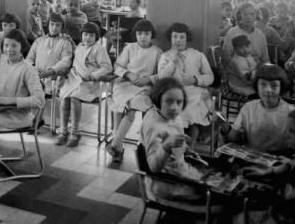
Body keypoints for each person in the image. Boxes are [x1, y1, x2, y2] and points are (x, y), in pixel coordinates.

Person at [0, 29, 45, 150]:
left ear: (22, 47)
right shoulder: (3, 61)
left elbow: (40, 100)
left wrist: (9, 100)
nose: (9, 49)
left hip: (16, 116)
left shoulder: (28, 70)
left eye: (14, 45)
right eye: (6, 45)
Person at [108, 19, 162, 163]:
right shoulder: (129, 48)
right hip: (125, 84)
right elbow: (118, 66)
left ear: (152, 35)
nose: (142, 37)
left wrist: (149, 79)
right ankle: (117, 147)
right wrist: (128, 74)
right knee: (120, 107)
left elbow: (162, 73)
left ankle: (115, 144)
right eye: (139, 33)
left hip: (143, 88)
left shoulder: (157, 52)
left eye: (146, 33)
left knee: (133, 106)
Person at [141, 78, 204, 200]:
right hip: (163, 183)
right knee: (219, 197)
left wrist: (184, 149)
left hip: (178, 172)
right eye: (168, 102)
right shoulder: (153, 125)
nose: (175, 108)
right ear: (157, 101)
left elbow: (176, 148)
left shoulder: (174, 116)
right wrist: (166, 146)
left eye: (179, 102)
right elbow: (154, 167)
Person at [244, 107, 295, 223]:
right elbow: (288, 165)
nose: (286, 135)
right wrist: (267, 171)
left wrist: (272, 207)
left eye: (292, 131)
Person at [158, 22, 214, 148]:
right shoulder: (165, 56)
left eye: (182, 37)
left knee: (191, 111)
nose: (178, 40)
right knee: (175, 112)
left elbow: (210, 77)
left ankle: (189, 149)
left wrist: (195, 79)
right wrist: (172, 60)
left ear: (187, 38)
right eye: (175, 37)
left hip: (194, 92)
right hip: (173, 93)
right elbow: (161, 77)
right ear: (170, 38)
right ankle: (175, 149)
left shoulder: (198, 55)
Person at [57, 23, 112, 147]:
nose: (87, 38)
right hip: (74, 80)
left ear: (96, 37)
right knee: (64, 98)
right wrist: (64, 75)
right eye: (85, 34)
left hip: (89, 84)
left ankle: (75, 132)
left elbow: (107, 67)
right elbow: (73, 64)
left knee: (74, 99)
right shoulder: (79, 47)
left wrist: (94, 75)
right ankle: (63, 130)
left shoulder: (99, 49)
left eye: (91, 35)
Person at [219, 63, 294, 154]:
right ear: (257, 86)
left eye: (274, 86)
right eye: (263, 85)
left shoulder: (291, 112)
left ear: (281, 87)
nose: (268, 90)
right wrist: (225, 126)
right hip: (253, 158)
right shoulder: (248, 108)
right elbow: (236, 139)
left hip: (280, 162)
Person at [26, 12, 74, 93]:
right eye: (52, 24)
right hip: (37, 76)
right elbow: (29, 59)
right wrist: (34, 71)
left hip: (54, 79)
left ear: (62, 27)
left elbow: (66, 61)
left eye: (58, 25)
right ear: (48, 25)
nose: (54, 28)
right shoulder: (39, 41)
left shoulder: (65, 42)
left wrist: (50, 72)